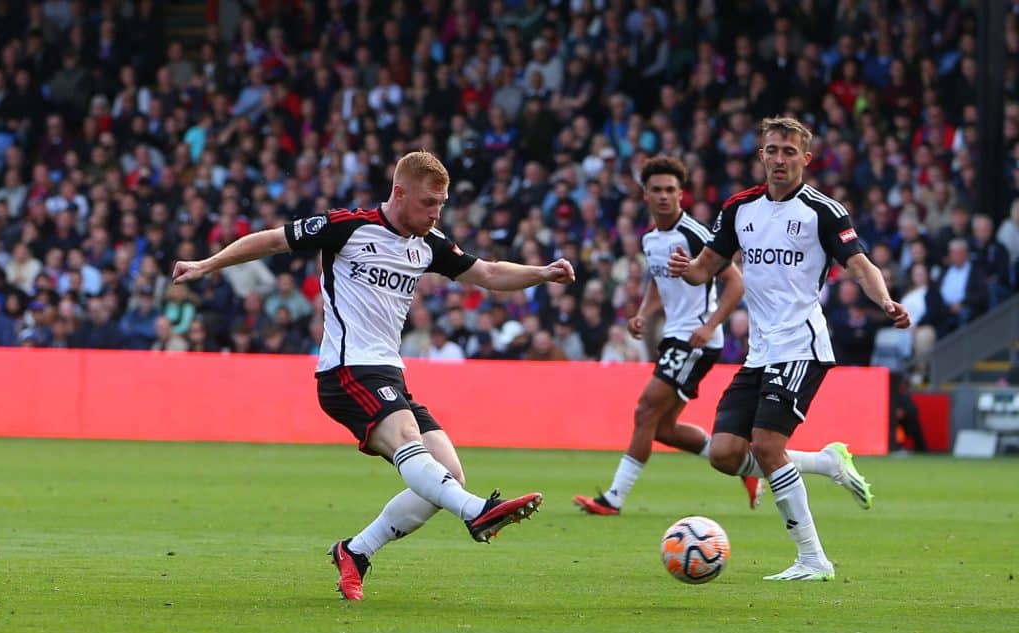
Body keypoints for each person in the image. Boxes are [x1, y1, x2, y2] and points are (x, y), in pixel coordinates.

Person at [173, 151, 576, 600]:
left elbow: (489, 273)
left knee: (447, 475)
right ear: (399, 193)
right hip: (346, 370)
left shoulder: (429, 244)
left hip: (390, 373)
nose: (436, 213)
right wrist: (206, 264)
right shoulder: (347, 226)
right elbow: (271, 241)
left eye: (441, 204)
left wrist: (542, 273)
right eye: (428, 203)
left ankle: (356, 550)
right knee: (409, 440)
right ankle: (477, 512)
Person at [669, 118, 911, 581]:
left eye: (789, 151)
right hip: (759, 350)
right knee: (724, 453)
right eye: (772, 150)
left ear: (806, 158)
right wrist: (687, 269)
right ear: (761, 154)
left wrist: (884, 301)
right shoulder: (739, 209)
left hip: (801, 344)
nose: (779, 159)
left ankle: (813, 559)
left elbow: (860, 265)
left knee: (766, 445)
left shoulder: (823, 211)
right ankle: (825, 462)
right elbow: (706, 268)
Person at [572, 156, 762, 515]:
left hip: (695, 339)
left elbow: (735, 282)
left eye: (670, 190)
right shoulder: (651, 239)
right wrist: (643, 314)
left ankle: (613, 499)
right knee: (661, 428)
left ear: (680, 194)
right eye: (656, 190)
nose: (663, 196)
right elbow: (659, 282)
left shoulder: (695, 234)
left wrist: (710, 325)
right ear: (645, 195)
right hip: (675, 336)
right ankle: (745, 465)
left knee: (645, 409)